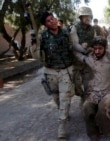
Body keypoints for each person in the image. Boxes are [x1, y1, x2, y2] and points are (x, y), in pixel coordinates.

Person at [30, 11, 75, 139]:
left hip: (65, 70)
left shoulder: (66, 33)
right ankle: (64, 111)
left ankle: (61, 128)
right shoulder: (42, 37)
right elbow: (36, 56)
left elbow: (73, 47)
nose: (52, 21)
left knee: (65, 98)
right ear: (45, 25)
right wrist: (33, 42)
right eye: (48, 21)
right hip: (50, 73)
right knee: (57, 99)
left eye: (53, 18)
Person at [74, 36, 110, 141]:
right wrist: (80, 47)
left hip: (108, 92)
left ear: (105, 48)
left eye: (100, 48)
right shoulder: (89, 58)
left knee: (102, 111)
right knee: (86, 109)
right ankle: (93, 134)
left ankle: (108, 131)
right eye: (95, 48)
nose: (97, 51)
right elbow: (77, 55)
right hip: (94, 92)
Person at [69, 6, 96, 101]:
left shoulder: (92, 29)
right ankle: (82, 96)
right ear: (80, 17)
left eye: (89, 16)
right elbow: (75, 44)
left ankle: (86, 103)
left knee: (88, 84)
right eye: (85, 16)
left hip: (87, 61)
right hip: (76, 62)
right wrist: (84, 50)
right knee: (77, 87)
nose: (87, 18)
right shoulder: (75, 28)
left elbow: (94, 41)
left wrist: (90, 47)